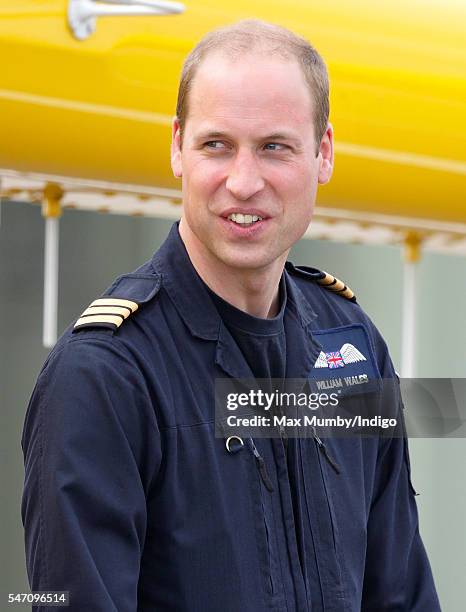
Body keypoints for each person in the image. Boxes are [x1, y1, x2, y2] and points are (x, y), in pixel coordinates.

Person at [22, 19, 441, 612]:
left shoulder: (353, 349)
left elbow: (400, 594)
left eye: (274, 146)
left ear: (322, 154)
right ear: (177, 148)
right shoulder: (104, 377)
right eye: (216, 145)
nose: (243, 182)